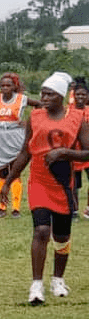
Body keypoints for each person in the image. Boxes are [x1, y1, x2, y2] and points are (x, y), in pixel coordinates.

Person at [0, 71, 89, 305]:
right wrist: (9, 181)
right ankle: (36, 285)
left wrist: (65, 153)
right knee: (41, 231)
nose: (44, 97)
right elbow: (24, 152)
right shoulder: (35, 117)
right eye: (43, 93)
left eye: (49, 94)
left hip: (63, 183)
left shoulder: (78, 118)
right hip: (39, 180)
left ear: (60, 96)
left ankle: (58, 279)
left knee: (62, 237)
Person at [0, 73, 38, 217]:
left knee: (15, 171)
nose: (5, 88)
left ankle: (16, 208)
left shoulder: (22, 99)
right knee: (2, 172)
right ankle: (2, 207)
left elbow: (40, 105)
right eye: (2, 85)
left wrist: (30, 122)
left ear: (15, 86)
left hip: (16, 135)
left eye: (8, 85)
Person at [67, 79, 89, 217]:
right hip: (74, 151)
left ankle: (88, 209)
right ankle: (74, 210)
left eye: (83, 95)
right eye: (78, 95)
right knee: (73, 183)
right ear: (73, 96)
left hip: (88, 150)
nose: (80, 97)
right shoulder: (68, 111)